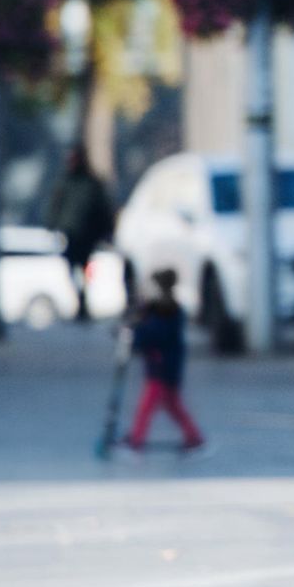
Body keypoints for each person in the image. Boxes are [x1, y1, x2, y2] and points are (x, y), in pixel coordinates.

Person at [125, 269, 205, 453]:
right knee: (172, 404)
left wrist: (137, 335)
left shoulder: (166, 312)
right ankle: (193, 435)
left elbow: (154, 335)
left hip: (162, 368)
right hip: (162, 367)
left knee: (148, 405)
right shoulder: (157, 310)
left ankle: (137, 439)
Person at [45, 146, 113, 321]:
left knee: (85, 269)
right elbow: (56, 206)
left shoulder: (91, 184)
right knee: (72, 268)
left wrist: (106, 231)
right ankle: (79, 300)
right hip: (70, 234)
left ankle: (84, 302)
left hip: (88, 235)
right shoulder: (65, 183)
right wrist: (52, 225)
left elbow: (103, 208)